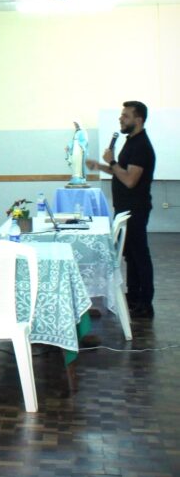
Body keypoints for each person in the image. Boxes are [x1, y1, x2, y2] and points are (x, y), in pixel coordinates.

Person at [88, 101, 156, 318]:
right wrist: (101, 166)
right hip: (125, 207)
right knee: (131, 256)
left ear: (139, 120)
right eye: (121, 115)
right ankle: (133, 295)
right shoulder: (131, 142)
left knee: (139, 255)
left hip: (135, 208)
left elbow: (129, 180)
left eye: (125, 116)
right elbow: (121, 171)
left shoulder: (141, 146)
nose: (120, 119)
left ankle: (145, 303)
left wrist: (113, 161)